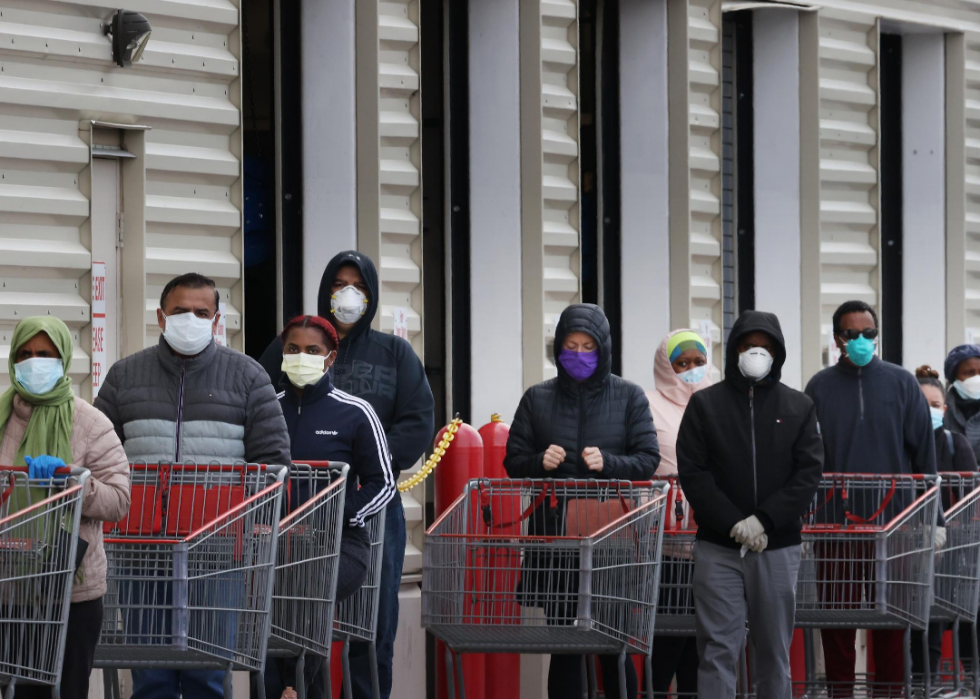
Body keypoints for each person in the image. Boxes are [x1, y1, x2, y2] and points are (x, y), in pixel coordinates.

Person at [95, 272, 291, 699]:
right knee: (151, 674)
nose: (190, 319)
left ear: (216, 319)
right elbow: (98, 453)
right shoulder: (124, 376)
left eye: (201, 312)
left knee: (208, 672)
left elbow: (272, 461)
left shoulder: (248, 377)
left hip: (217, 549)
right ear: (161, 317)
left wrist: (254, 529)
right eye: (180, 311)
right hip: (139, 549)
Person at [259, 251, 434, 699]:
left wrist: (360, 466)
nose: (348, 293)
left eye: (357, 285)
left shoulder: (395, 354)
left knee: (373, 622)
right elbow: (260, 411)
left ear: (371, 295)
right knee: (293, 611)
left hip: (367, 509)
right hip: (293, 516)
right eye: (338, 284)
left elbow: (417, 421)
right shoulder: (288, 345)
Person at [504, 303, 660, 699]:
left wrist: (608, 463)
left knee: (612, 644)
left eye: (587, 346)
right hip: (556, 541)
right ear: (558, 349)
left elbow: (648, 459)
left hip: (613, 540)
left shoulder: (628, 396)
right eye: (570, 345)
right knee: (566, 645)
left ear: (603, 349)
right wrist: (539, 461)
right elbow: (513, 462)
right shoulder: (537, 398)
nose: (577, 354)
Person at [677, 310, 823, 699]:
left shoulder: (799, 406)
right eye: (748, 345)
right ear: (734, 349)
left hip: (777, 547)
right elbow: (693, 473)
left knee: (773, 651)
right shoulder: (705, 405)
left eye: (765, 346)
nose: (756, 353)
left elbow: (808, 473)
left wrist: (764, 521)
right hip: (718, 547)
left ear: (777, 352)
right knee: (717, 649)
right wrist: (733, 523)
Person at [804, 300, 941, 698]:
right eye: (852, 334)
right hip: (835, 527)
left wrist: (934, 521)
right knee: (837, 623)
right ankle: (841, 694)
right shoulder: (819, 387)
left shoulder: (901, 384)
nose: (861, 340)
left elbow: (924, 457)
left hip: (895, 528)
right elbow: (807, 456)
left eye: (869, 334)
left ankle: (890, 695)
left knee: (892, 623)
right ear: (837, 339)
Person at [264, 315, 395, 699]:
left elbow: (382, 483)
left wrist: (337, 517)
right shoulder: (266, 409)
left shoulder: (355, 412)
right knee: (275, 605)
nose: (301, 357)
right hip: (278, 547)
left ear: (331, 357)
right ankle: (292, 686)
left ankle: (293, 685)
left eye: (312, 351)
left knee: (309, 590)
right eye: (292, 349)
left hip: (341, 548)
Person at [2, 317, 131, 699]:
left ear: (62, 359)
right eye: (24, 354)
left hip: (70, 592)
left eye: (44, 354)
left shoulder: (90, 422)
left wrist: (73, 482)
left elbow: (119, 500)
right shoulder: (2, 415)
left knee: (64, 691)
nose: (33, 362)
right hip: (8, 590)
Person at [646, 330, 712, 696]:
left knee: (700, 648)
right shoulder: (648, 403)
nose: (691, 371)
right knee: (666, 643)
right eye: (682, 363)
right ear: (665, 366)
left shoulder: (720, 402)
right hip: (668, 546)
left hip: (715, 544)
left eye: (698, 362)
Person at [910, 365, 976, 682]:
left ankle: (967, 676)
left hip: (953, 553)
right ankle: (925, 682)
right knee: (923, 622)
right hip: (910, 552)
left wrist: (947, 531)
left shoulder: (955, 444)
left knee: (959, 616)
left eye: (935, 406)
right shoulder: (902, 446)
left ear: (944, 409)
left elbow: (971, 500)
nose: (929, 412)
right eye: (922, 405)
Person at [943, 344, 980, 465]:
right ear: (954, 378)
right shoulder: (941, 411)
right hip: (952, 482)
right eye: (969, 373)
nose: (976, 378)